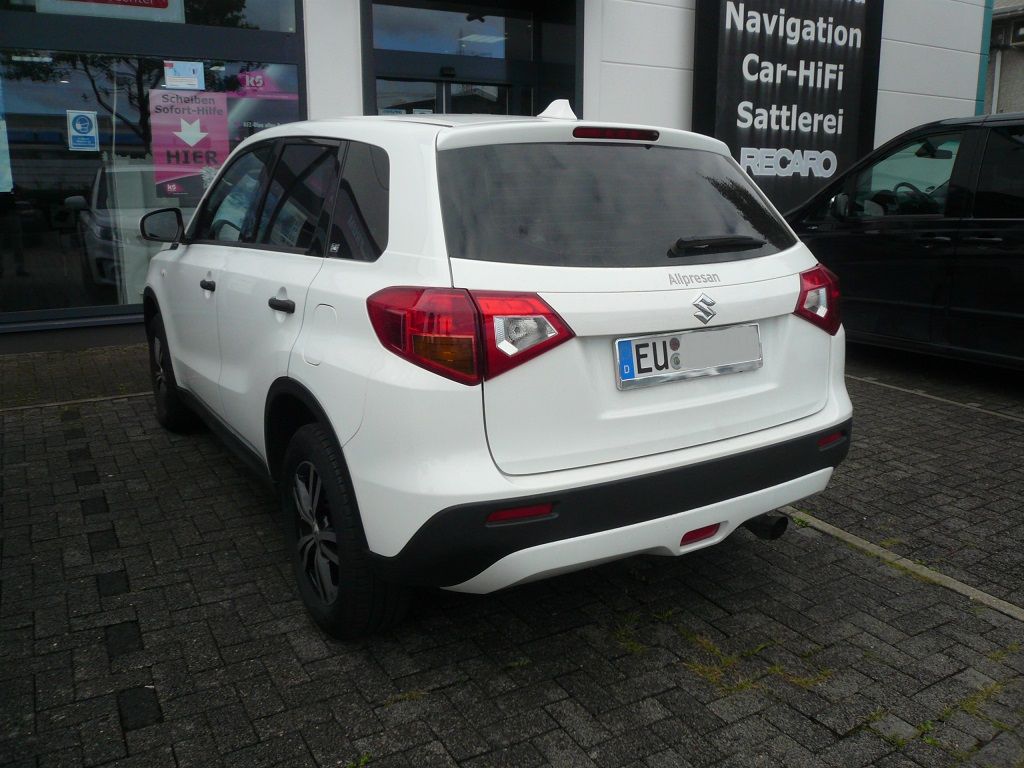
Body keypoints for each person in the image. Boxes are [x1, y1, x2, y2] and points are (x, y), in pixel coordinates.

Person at [0, 184, 28, 277]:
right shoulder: (7, 183)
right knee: (17, 242)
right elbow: (21, 191)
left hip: (9, 214)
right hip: (11, 214)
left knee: (17, 242)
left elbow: (20, 191)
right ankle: (19, 268)